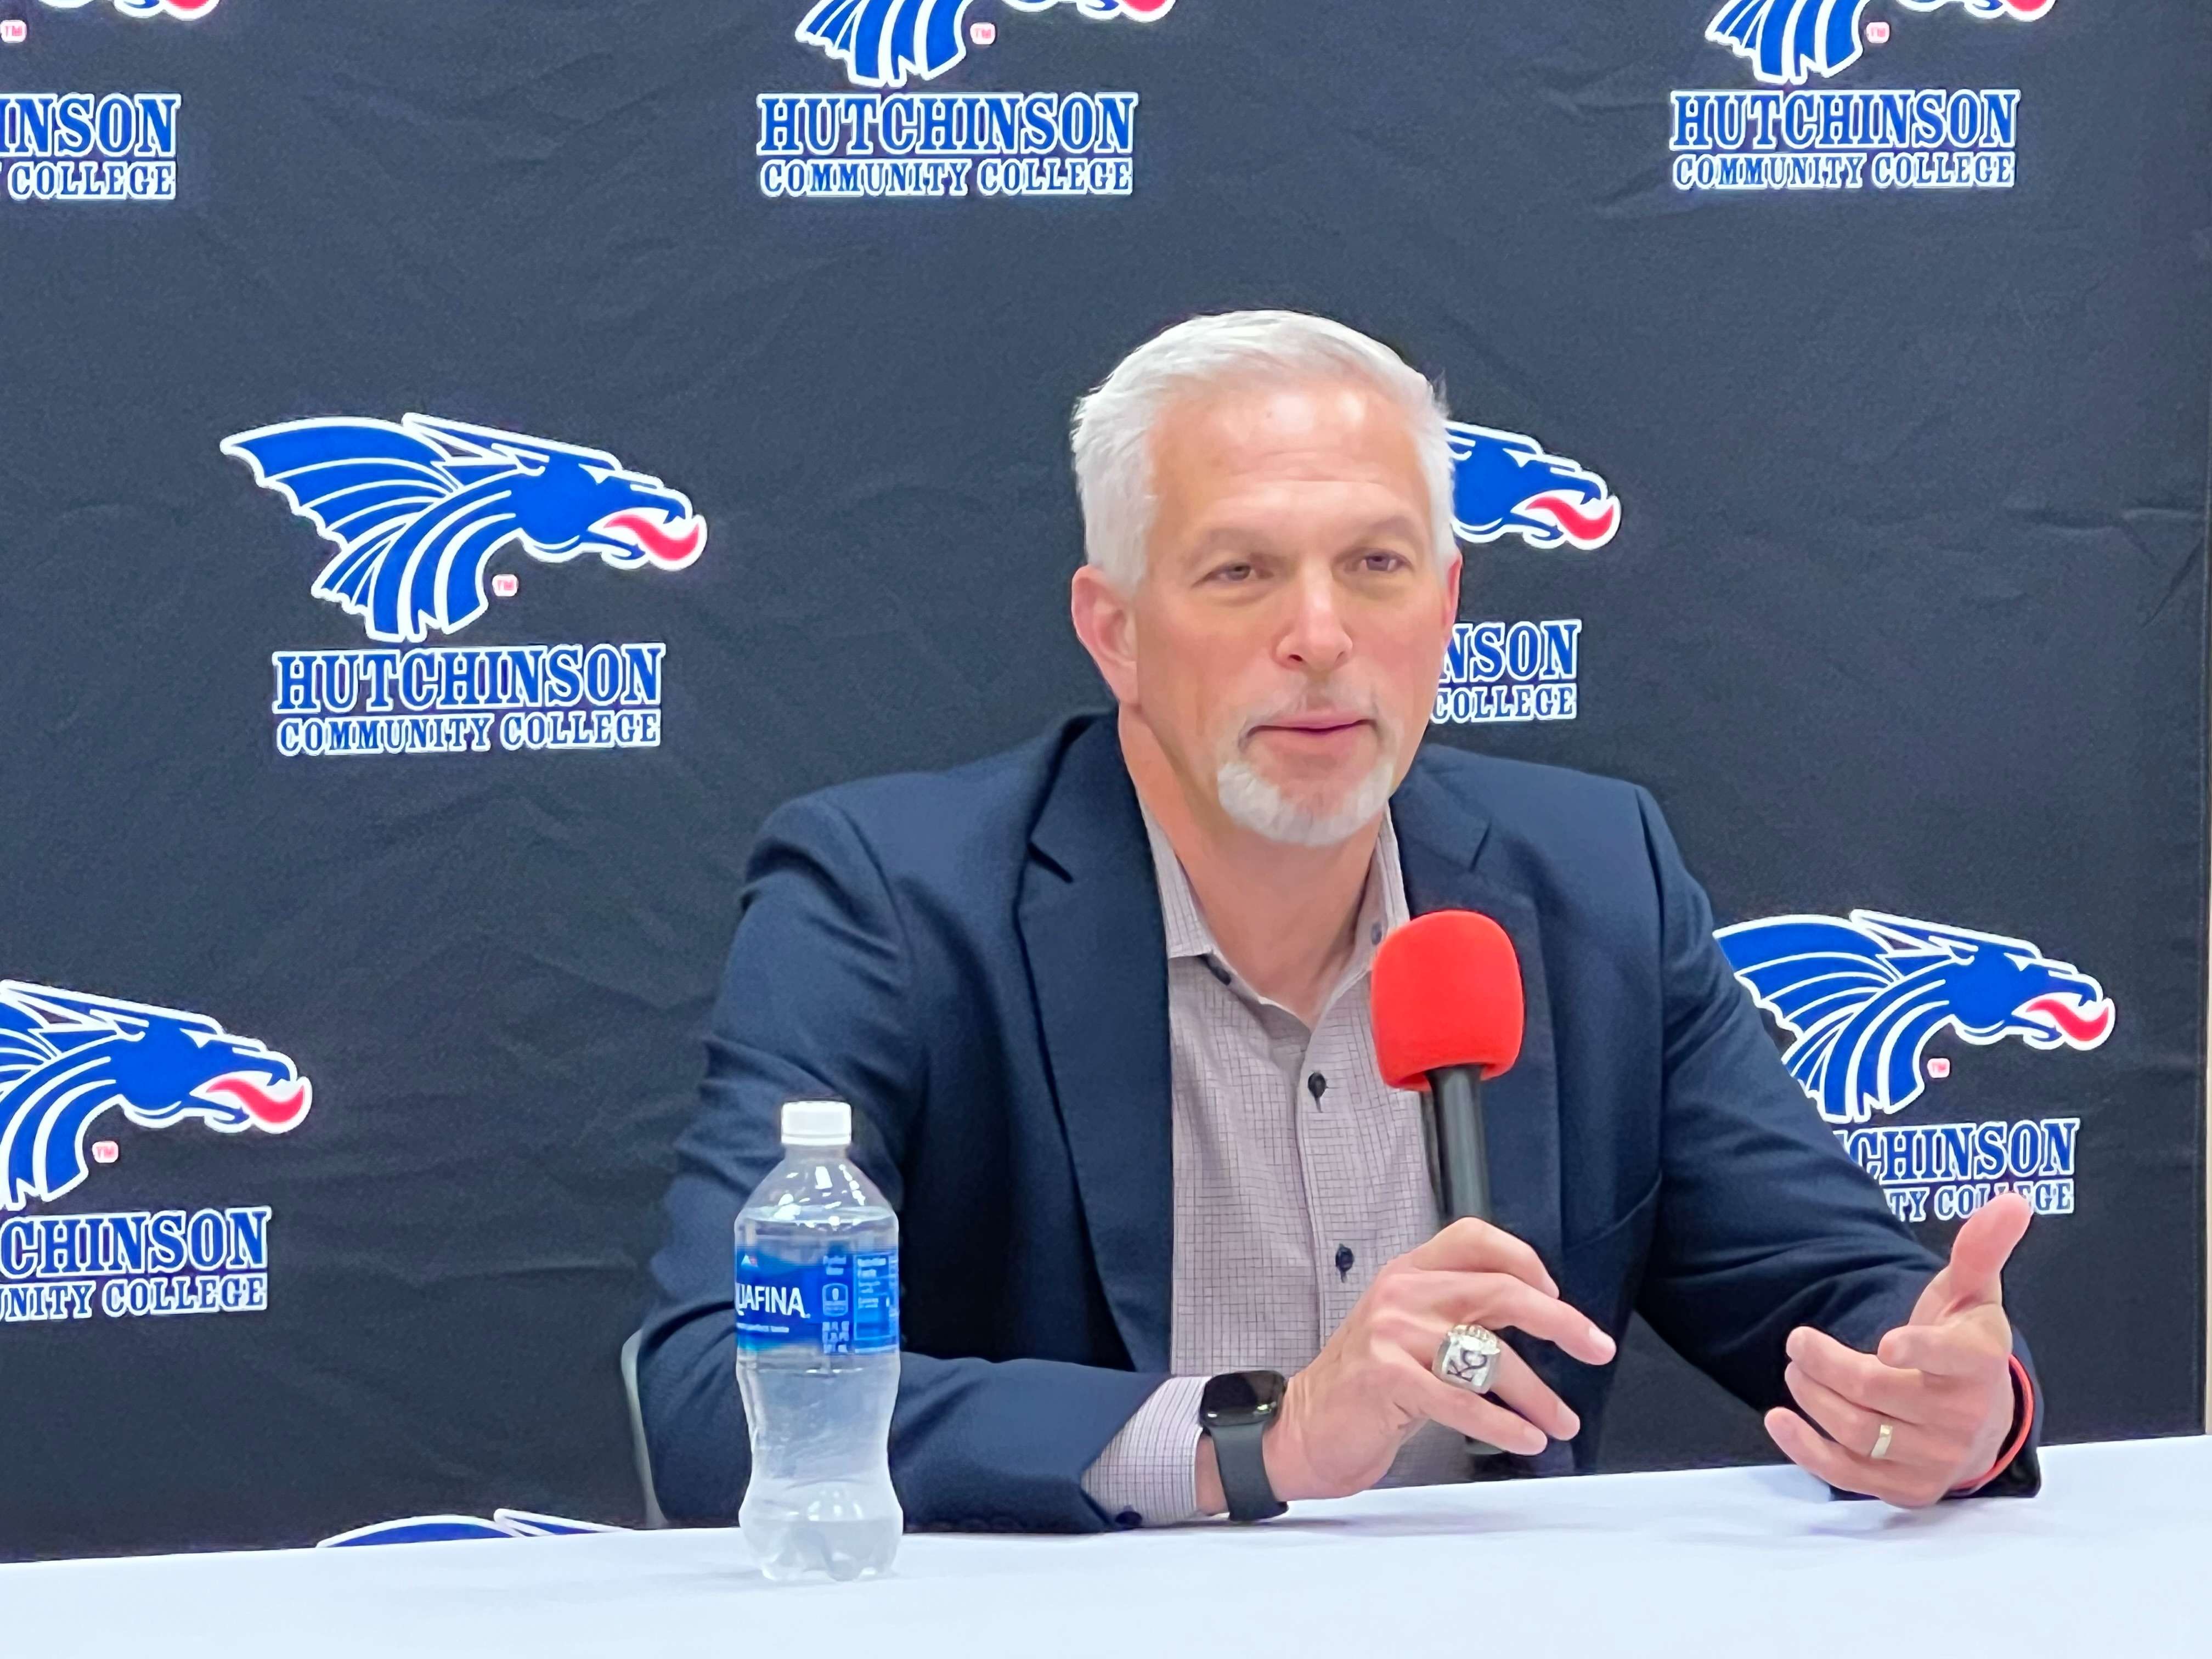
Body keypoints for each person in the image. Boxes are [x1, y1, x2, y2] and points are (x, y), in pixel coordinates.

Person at [639, 311, 2039, 1531]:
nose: (1319, 634)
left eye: (1374, 567)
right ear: (1114, 629)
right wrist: (1256, 1439)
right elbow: (720, 1391)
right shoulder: (892, 897)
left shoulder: (1595, 875)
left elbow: (1827, 1285)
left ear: (1445, 606)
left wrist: (1953, 1400)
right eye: (1241, 572)